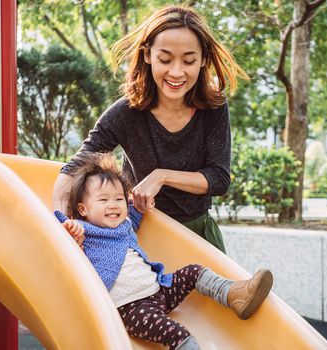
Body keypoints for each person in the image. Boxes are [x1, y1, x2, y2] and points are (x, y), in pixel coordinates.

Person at [52, 5, 249, 253]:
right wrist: (62, 223)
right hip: (141, 238)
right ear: (147, 55)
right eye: (165, 59)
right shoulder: (126, 113)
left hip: (198, 236)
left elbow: (219, 179)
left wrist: (161, 175)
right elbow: (74, 168)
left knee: (220, 290)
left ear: (203, 60)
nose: (176, 72)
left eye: (189, 60)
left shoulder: (214, 107)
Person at [54, 152, 273, 350]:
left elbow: (137, 208)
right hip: (131, 310)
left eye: (118, 198)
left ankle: (234, 294)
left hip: (161, 290)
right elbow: (65, 242)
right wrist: (71, 230)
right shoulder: (85, 231)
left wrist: (143, 199)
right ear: (82, 209)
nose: (113, 205)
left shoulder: (125, 224)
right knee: (178, 334)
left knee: (193, 272)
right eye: (103, 200)